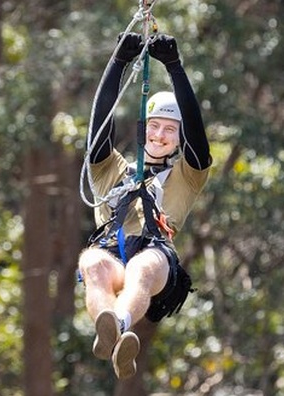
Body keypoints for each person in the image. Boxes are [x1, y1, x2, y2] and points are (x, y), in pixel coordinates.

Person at [78, 31, 212, 379]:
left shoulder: (187, 176)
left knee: (142, 268)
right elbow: (99, 130)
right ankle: (110, 328)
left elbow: (198, 139)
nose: (160, 135)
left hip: (155, 255)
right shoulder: (111, 170)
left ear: (179, 138)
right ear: (142, 129)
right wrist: (118, 62)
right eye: (154, 126)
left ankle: (119, 324)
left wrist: (174, 67)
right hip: (111, 250)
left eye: (171, 130)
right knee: (92, 262)